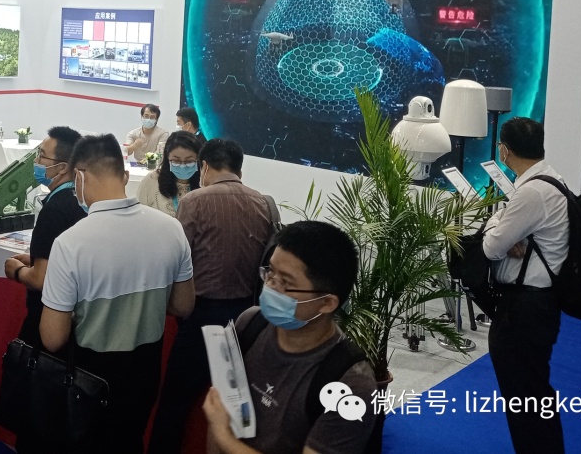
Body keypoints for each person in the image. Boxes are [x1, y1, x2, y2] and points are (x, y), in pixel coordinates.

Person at [40, 133, 195, 454]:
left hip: (88, 379)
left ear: (79, 176)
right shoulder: (172, 229)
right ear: (124, 175)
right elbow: (183, 305)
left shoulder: (71, 243)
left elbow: (52, 338)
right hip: (145, 373)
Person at [149, 138, 278, 454]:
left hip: (200, 317)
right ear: (239, 169)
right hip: (247, 317)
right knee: (235, 404)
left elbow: (177, 261)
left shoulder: (194, 201)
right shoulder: (265, 203)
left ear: (204, 166)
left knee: (175, 402)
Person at [202, 221, 377, 454]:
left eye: (285, 283)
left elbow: (220, 428)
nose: (270, 286)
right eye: (270, 273)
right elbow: (223, 405)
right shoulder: (251, 323)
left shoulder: (349, 384)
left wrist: (224, 436)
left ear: (326, 303)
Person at [483, 117, 570, 454]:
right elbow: (507, 232)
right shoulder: (552, 179)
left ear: (504, 151)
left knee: (524, 399)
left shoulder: (531, 193)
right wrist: (507, 226)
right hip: (541, 304)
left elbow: (492, 247)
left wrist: (497, 223)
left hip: (523, 309)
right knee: (533, 393)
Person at [4, 126, 86, 347]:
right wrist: (35, 260)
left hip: (48, 319)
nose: (36, 161)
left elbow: (39, 279)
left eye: (42, 155)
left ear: (62, 167)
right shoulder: (80, 200)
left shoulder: (55, 210)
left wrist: (17, 271)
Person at [136, 130, 202, 216]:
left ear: (198, 160)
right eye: (176, 161)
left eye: (189, 161)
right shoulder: (152, 180)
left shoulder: (205, 184)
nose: (182, 166)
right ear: (168, 158)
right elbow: (138, 214)